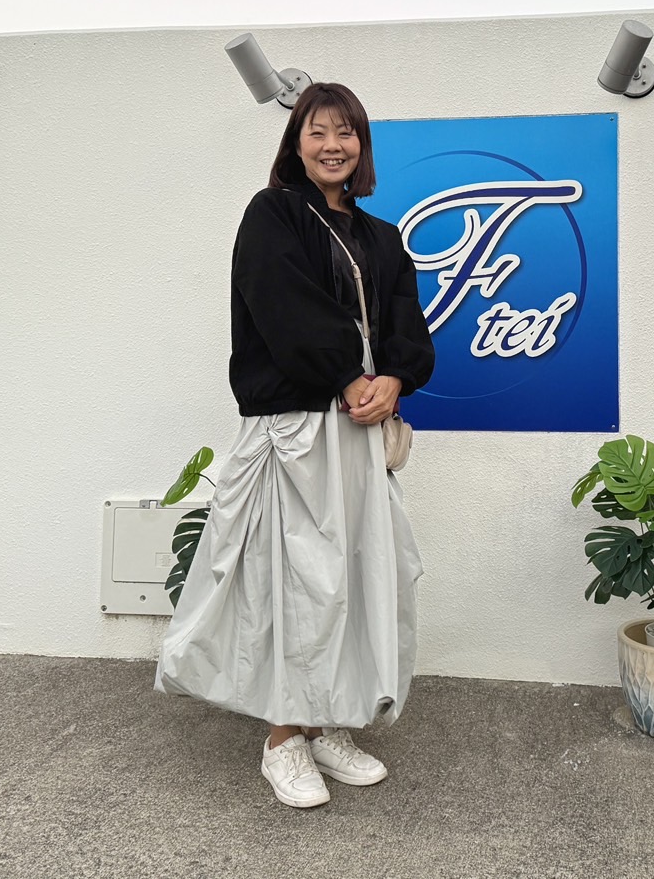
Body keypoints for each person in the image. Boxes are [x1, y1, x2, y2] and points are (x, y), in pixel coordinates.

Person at [155, 81, 435, 809]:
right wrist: (347, 376)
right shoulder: (273, 213)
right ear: (296, 143)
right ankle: (283, 738)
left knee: (353, 579)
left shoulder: (383, 237)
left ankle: (327, 721)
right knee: (294, 584)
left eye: (346, 132)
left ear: (362, 146)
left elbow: (406, 320)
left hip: (359, 433)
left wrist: (395, 377)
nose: (333, 145)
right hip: (296, 430)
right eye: (318, 131)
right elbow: (280, 305)